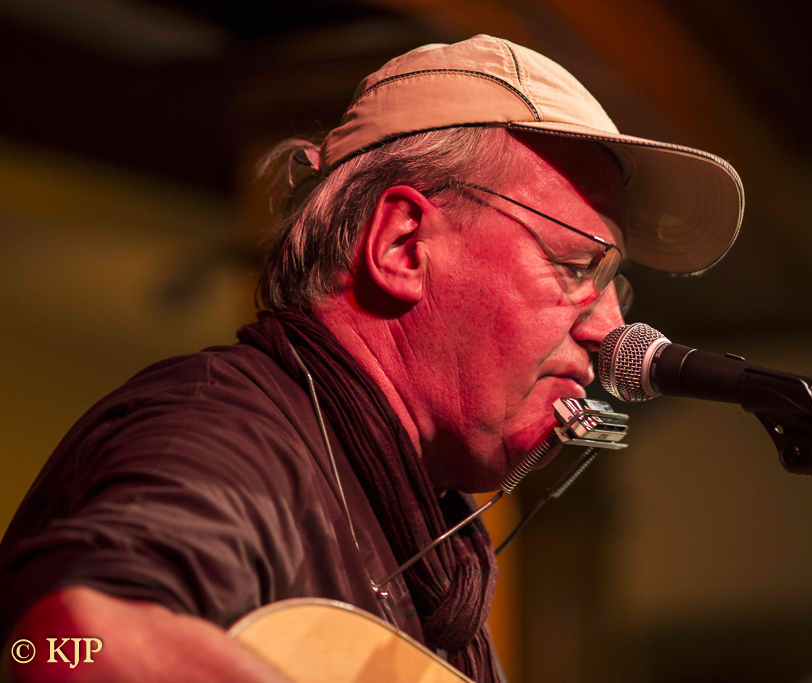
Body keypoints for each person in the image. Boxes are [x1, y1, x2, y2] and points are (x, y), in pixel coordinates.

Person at [0, 35, 743, 682]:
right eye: (575, 264)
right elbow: (68, 642)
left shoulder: (422, 541)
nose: (611, 327)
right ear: (402, 245)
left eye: (616, 286)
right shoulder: (228, 432)